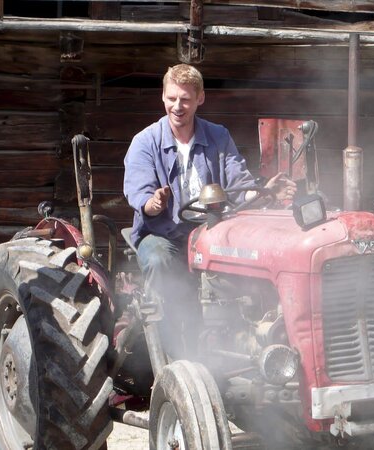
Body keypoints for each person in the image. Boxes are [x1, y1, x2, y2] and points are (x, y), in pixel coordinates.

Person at [123, 64, 294, 357]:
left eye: (186, 99)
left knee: (253, 257)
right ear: (162, 97)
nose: (178, 106)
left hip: (211, 230)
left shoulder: (218, 136)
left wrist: (265, 191)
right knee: (158, 259)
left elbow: (239, 182)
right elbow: (139, 194)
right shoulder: (145, 142)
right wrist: (154, 204)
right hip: (163, 233)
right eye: (172, 98)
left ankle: (245, 337)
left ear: (200, 98)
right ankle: (167, 345)